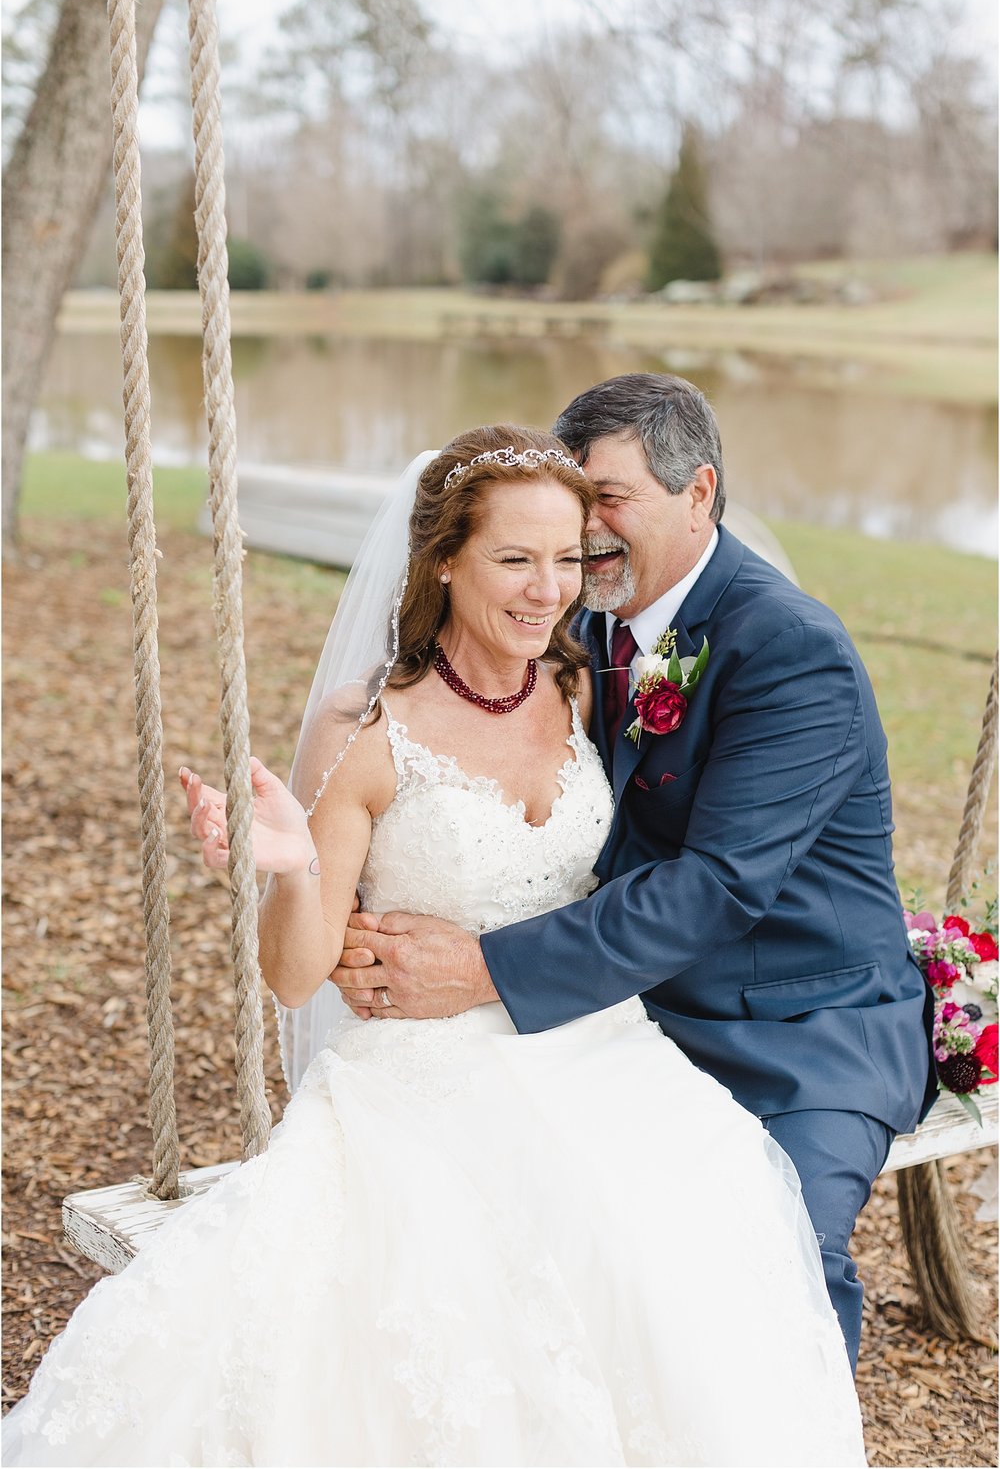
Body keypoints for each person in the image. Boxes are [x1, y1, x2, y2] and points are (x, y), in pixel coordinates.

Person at [2, 423, 867, 1468]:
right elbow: (292, 970)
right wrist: (292, 866)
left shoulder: (583, 685)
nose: (547, 589)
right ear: (443, 559)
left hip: (600, 1046)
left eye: (565, 558)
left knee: (695, 1246)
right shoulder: (363, 724)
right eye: (514, 558)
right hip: (422, 1069)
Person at [332, 375, 937, 1374]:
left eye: (608, 498)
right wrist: (366, 925)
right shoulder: (581, 630)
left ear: (697, 494)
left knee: (771, 1245)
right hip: (626, 1007)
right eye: (575, 502)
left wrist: (478, 966)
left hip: (798, 1023)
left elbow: (715, 886)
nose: (584, 530)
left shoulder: (790, 651)